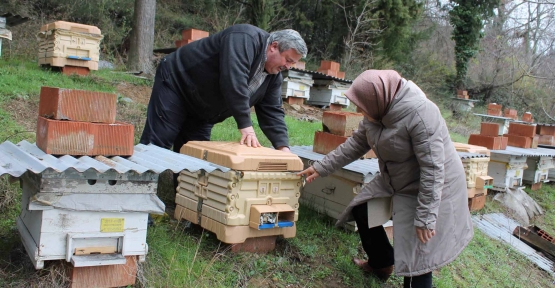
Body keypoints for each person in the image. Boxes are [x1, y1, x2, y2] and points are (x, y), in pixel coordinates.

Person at [298, 70, 473, 287]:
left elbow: (433, 170)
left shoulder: (422, 115)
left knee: (417, 256)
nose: (359, 111)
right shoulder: (376, 111)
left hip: (432, 187)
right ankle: (381, 263)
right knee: (363, 209)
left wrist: (426, 216)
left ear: (377, 99)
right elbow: (355, 144)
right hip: (397, 180)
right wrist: (321, 167)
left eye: (362, 107)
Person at [139, 24, 308, 153]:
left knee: (194, 153)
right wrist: (245, 125)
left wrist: (283, 147)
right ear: (274, 47)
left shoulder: (273, 77)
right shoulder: (244, 38)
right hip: (178, 83)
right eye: (288, 60)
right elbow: (233, 80)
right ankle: (138, 191)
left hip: (204, 106)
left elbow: (272, 111)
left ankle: (183, 198)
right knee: (159, 140)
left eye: (293, 63)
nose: (288, 66)